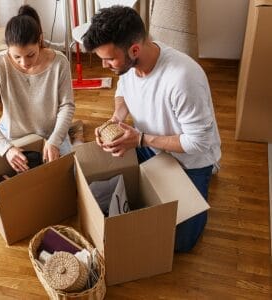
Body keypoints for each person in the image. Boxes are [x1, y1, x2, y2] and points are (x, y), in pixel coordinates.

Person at [82, 6, 221, 252]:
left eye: (109, 59)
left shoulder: (183, 78)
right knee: (99, 174)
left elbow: (198, 143)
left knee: (179, 243)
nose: (104, 65)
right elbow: (122, 92)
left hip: (189, 161)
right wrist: (115, 119)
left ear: (134, 49)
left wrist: (142, 139)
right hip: (148, 145)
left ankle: (209, 175)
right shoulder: (127, 64)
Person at [0, 5, 75, 173]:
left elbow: (67, 106)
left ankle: (74, 138)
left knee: (68, 177)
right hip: (12, 136)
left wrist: (55, 140)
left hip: (50, 133)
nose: (24, 63)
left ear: (40, 40)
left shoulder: (60, 62)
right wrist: (6, 148)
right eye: (16, 57)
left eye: (30, 55)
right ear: (7, 48)